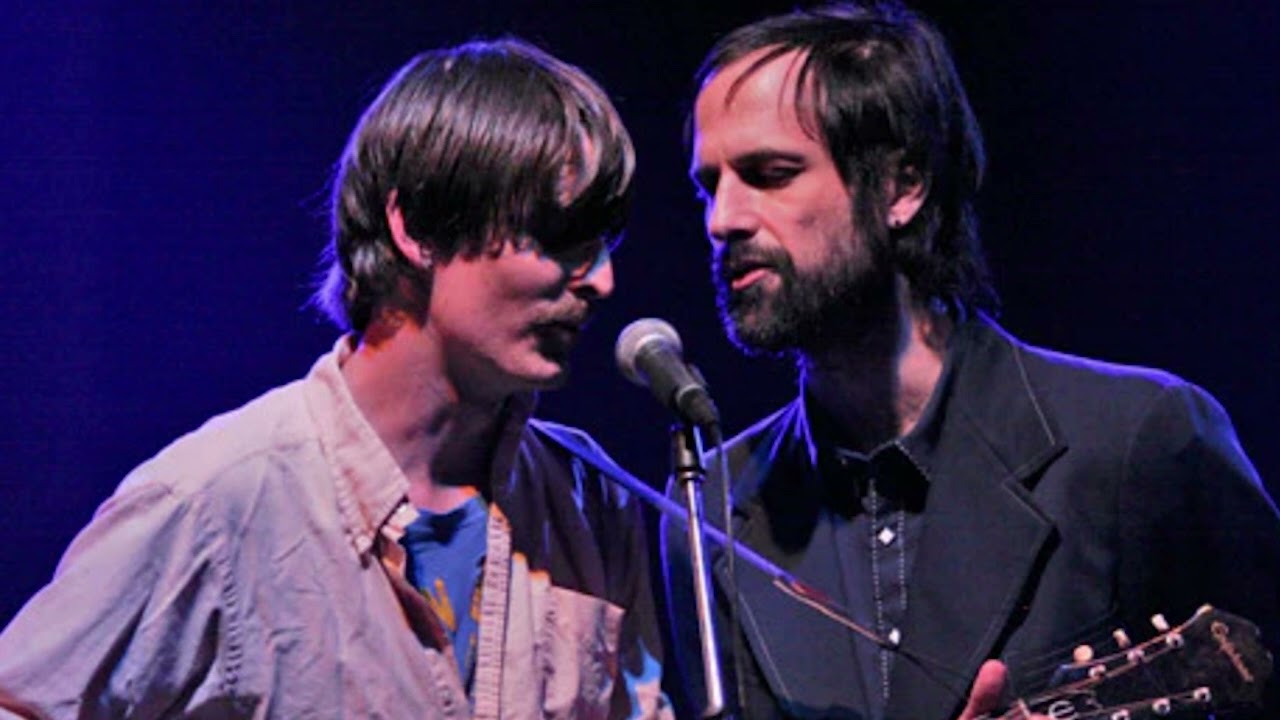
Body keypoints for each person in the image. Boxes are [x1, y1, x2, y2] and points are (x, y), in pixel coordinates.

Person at [0, 38, 671, 719]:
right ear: (418, 228)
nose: (603, 280)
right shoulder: (214, 500)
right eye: (560, 236)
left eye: (605, 242)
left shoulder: (592, 500)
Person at [661, 3, 1280, 719]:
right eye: (710, 185)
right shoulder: (709, 508)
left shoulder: (1137, 441)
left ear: (902, 186)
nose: (722, 219)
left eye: (770, 173)